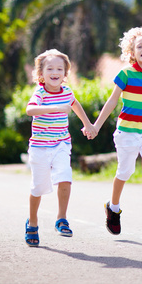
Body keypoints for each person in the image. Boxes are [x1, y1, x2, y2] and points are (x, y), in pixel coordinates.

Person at [91, 27, 142, 235]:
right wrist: (96, 125)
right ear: (132, 53)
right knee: (125, 172)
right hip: (127, 131)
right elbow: (112, 100)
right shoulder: (126, 73)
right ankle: (113, 208)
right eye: (139, 46)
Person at [24, 49, 97, 247]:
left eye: (59, 69)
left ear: (65, 74)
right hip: (39, 148)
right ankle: (32, 223)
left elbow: (75, 105)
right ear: (41, 73)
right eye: (50, 68)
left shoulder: (67, 92)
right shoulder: (39, 92)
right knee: (38, 187)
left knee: (65, 177)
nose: (55, 72)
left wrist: (88, 124)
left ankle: (61, 219)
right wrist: (55, 108)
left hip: (61, 144)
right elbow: (30, 110)